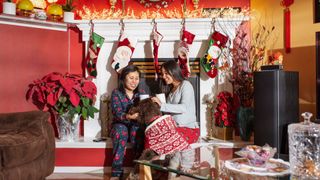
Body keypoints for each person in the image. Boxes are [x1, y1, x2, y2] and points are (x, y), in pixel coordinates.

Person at [151, 60, 200, 175]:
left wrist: (162, 105)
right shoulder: (171, 90)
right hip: (176, 130)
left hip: (188, 129)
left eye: (166, 73)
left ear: (174, 72)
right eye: (162, 74)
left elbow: (183, 108)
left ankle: (168, 164)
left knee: (177, 159)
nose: (164, 77)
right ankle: (168, 168)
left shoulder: (186, 85)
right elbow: (169, 113)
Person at [110, 65, 144, 179]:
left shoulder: (141, 94)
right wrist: (129, 116)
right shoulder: (116, 93)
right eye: (131, 78)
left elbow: (145, 111)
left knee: (137, 130)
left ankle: (137, 171)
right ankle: (116, 172)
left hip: (135, 124)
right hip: (120, 124)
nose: (134, 81)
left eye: (137, 78)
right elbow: (117, 113)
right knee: (121, 130)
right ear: (124, 78)